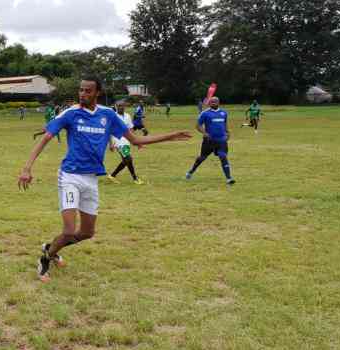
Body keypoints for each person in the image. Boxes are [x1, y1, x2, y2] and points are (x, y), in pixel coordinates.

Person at [18, 75, 191, 282]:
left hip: (91, 179)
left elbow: (135, 139)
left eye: (88, 91)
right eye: (81, 90)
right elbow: (45, 138)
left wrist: (169, 136)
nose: (83, 94)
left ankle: (52, 246)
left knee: (87, 233)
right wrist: (27, 168)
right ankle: (46, 258)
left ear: (97, 92)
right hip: (70, 176)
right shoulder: (71, 113)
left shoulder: (108, 115)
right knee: (69, 230)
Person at [186, 97, 236, 185]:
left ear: (219, 103)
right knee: (202, 158)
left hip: (221, 140)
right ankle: (191, 171)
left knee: (223, 156)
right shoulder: (205, 113)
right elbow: (198, 125)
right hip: (209, 141)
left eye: (215, 102)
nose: (213, 103)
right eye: (212, 102)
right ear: (209, 103)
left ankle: (229, 178)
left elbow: (224, 124)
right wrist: (204, 133)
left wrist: (227, 132)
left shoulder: (224, 113)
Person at [107, 101, 144, 185]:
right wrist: (110, 143)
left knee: (126, 160)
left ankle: (112, 175)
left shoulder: (128, 116)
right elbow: (109, 130)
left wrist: (137, 142)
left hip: (126, 141)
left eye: (122, 106)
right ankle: (135, 178)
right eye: (119, 106)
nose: (121, 107)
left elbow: (130, 130)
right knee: (128, 158)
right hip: (117, 141)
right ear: (116, 106)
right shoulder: (113, 116)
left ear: (125, 106)